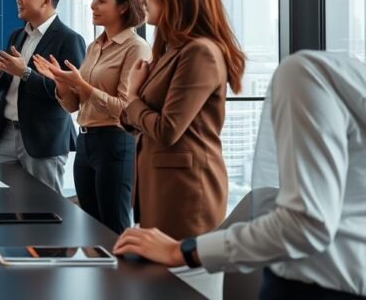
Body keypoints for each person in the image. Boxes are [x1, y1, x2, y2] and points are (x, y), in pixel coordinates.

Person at [113, 51, 366, 300]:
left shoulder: (309, 73)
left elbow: (307, 224)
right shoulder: (349, 82)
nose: (144, 7)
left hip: (309, 288)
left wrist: (183, 250)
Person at [121, 0, 245, 240]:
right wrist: (135, 102)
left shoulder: (200, 52)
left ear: (176, 0)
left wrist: (132, 96)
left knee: (181, 281)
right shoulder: (171, 51)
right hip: (162, 187)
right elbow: (137, 120)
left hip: (186, 192)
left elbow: (168, 129)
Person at [33, 0, 150, 233]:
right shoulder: (94, 46)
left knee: (113, 225)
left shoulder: (135, 47)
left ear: (123, 6)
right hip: (86, 141)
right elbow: (74, 106)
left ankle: (123, 274)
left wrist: (83, 85)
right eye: (93, 0)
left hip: (116, 142)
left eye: (101, 1)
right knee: (90, 225)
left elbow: (126, 108)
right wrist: (61, 82)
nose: (93, 6)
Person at [0, 0, 87, 194]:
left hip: (43, 141)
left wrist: (25, 72)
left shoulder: (69, 40)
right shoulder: (17, 36)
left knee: (45, 209)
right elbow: (6, 85)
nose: (18, 0)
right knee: (5, 207)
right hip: (8, 133)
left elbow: (68, 96)